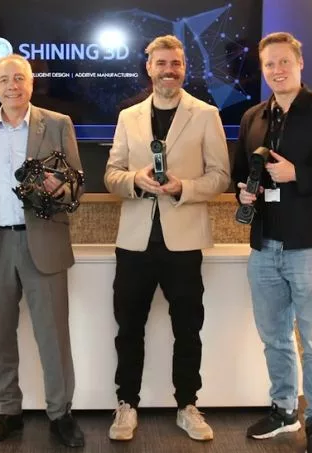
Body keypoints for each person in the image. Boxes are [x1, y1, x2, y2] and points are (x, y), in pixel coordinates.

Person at [232, 32, 312, 453]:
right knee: (275, 337)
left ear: (300, 64)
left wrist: (297, 174)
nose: (277, 70)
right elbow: (240, 175)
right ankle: (284, 410)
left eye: (284, 61)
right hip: (264, 245)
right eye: (269, 64)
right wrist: (243, 193)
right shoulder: (253, 117)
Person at [104, 35, 230, 442]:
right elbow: (111, 175)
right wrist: (135, 180)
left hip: (184, 243)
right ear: (149, 68)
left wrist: (183, 188)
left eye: (175, 64)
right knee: (128, 329)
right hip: (134, 243)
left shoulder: (206, 115)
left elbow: (221, 176)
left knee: (188, 329)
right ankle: (127, 404)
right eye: (161, 63)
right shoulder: (129, 117)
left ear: (184, 68)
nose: (168, 70)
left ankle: (187, 405)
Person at [0, 54, 85, 448]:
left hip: (43, 243)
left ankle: (60, 414)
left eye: (19, 78)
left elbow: (76, 187)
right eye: (4, 79)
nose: (12, 86)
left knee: (53, 336)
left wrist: (60, 189)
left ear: (31, 83)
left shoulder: (58, 124)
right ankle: (7, 411)